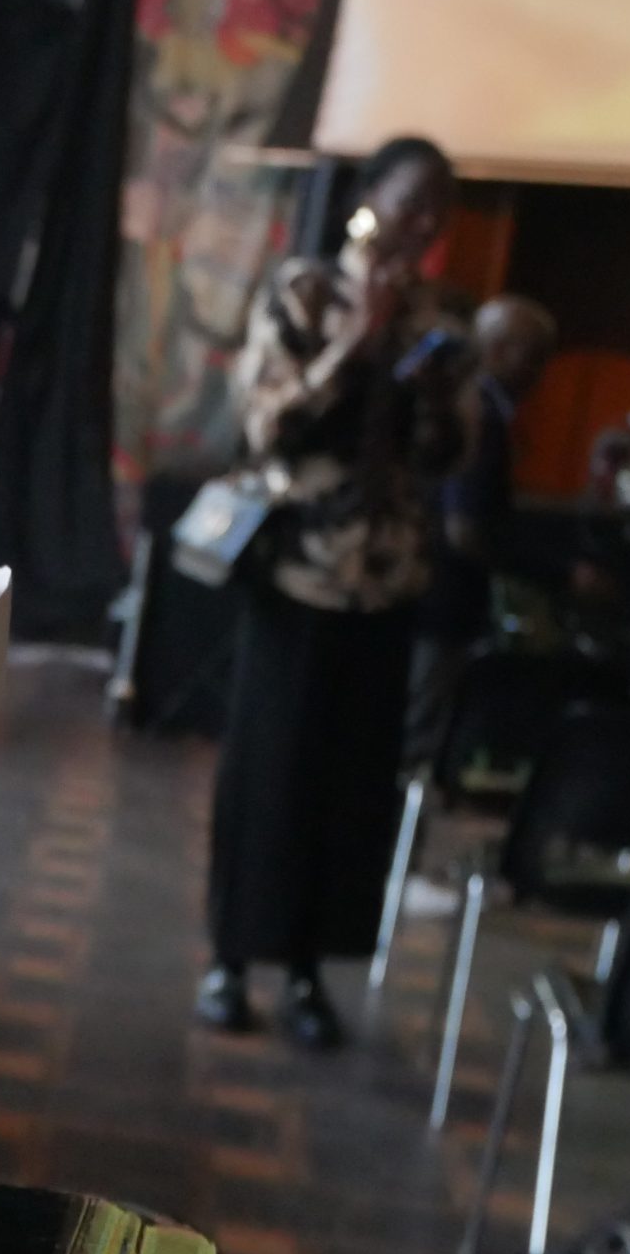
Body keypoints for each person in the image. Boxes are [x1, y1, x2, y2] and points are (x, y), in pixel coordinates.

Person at [198, 135, 467, 1050]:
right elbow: (265, 425)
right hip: (299, 575)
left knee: (351, 788)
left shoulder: (440, 315)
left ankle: (311, 972)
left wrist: (437, 389)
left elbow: (447, 457)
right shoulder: (306, 291)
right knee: (269, 774)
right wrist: (352, 345)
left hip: (387, 584)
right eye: (411, 199)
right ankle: (231, 960)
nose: (423, 221)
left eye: (439, 207)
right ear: (371, 195)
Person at [404, 294, 558, 763]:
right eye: (533, 356)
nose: (540, 372)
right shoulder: (482, 415)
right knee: (416, 743)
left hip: (422, 595)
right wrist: (553, 575)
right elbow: (465, 530)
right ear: (497, 349)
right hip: (444, 603)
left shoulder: (460, 404)